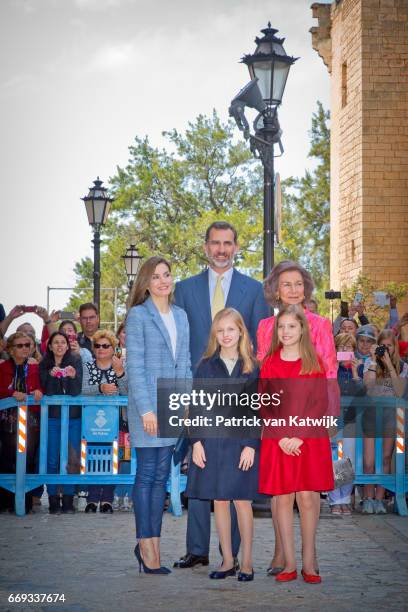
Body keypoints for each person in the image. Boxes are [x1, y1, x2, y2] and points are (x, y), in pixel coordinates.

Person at [173, 221, 269, 570]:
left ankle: (236, 556)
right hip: (200, 390)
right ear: (205, 247)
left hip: (239, 393)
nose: (222, 249)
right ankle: (197, 549)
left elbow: (258, 346)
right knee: (200, 473)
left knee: (235, 482)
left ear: (236, 246)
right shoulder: (183, 290)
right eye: (215, 243)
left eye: (228, 243)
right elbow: (181, 344)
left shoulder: (255, 290)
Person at [256, 260, 337, 576]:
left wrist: (327, 418)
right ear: (276, 289)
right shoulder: (266, 327)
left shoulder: (319, 324)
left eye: (298, 284)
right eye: (286, 284)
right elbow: (264, 378)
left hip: (310, 422)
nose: (292, 290)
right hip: (278, 421)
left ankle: (309, 558)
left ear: (306, 289)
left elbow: (328, 371)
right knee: (280, 490)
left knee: (308, 490)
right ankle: (281, 552)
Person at [126, 256, 191, 574]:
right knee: (148, 476)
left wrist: (187, 402)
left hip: (174, 405)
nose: (163, 281)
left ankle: (152, 546)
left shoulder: (180, 315)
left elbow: (187, 363)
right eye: (156, 276)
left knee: (162, 476)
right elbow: (135, 367)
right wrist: (147, 409)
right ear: (146, 283)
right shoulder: (138, 316)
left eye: (167, 275)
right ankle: (146, 546)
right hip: (148, 407)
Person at [186, 308, 259, 582]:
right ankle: (227, 560)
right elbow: (197, 408)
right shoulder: (205, 366)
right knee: (219, 501)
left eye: (231, 329)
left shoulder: (252, 366)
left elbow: (256, 410)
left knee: (242, 501)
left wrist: (252, 444)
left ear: (241, 331)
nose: (226, 335)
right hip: (213, 444)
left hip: (241, 445)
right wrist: (196, 442)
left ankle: (248, 561)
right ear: (214, 335)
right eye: (220, 330)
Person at [362, 329, 408, 514]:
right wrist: (374, 360)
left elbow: (399, 391)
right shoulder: (369, 362)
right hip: (371, 415)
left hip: (391, 417)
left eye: (389, 346)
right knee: (368, 461)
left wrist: (389, 364)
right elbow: (369, 388)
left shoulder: (402, 366)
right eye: (383, 346)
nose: (386, 349)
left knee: (386, 458)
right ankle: (367, 498)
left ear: (394, 347)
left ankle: (379, 498)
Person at [81, 329, 127, 513]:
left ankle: (107, 498)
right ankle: (92, 498)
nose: (101, 349)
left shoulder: (120, 365)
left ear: (113, 347)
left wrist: (120, 373)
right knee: (93, 456)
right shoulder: (88, 366)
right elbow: (83, 389)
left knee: (115, 457)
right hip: (92, 421)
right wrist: (101, 388)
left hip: (117, 420)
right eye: (97, 346)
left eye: (105, 346)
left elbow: (127, 391)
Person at [39, 331, 83, 513]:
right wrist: (51, 375)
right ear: (50, 346)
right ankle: (52, 498)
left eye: (62, 342)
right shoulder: (44, 364)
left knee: (73, 459)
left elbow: (75, 392)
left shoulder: (75, 361)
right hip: (52, 418)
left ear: (67, 345)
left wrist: (72, 376)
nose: (59, 346)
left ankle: (68, 498)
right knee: (51, 459)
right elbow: (48, 392)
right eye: (55, 342)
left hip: (73, 418)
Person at [0, 332, 43, 512]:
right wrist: (12, 394)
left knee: (29, 459)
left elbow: (40, 386)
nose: (25, 348)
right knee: (7, 458)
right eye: (20, 345)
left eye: (27, 345)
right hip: (6, 421)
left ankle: (24, 501)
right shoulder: (2, 368)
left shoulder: (34, 368)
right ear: (10, 349)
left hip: (30, 421)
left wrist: (39, 391)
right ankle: (5, 501)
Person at [328, 332, 365, 515]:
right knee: (334, 460)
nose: (345, 351)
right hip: (333, 419)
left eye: (348, 348)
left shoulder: (358, 368)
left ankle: (345, 498)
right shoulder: (330, 369)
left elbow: (362, 394)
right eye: (341, 348)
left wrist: (355, 372)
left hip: (351, 421)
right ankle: (335, 500)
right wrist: (333, 367)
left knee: (348, 461)